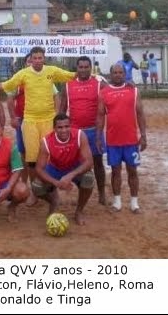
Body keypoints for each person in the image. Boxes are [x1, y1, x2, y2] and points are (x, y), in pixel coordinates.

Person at [0, 46, 76, 203]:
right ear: (30, 59)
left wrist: (92, 76)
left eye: (40, 57)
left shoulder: (51, 71)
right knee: (31, 160)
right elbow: (7, 84)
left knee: (49, 157)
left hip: (48, 120)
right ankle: (35, 191)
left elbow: (70, 76)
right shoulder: (23, 74)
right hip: (30, 121)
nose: (37, 60)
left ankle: (50, 189)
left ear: (44, 58)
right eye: (35, 58)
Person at [6, 53, 61, 206]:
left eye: (36, 59)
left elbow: (56, 95)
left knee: (46, 155)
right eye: (30, 60)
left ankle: (51, 189)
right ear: (26, 63)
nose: (33, 62)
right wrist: (12, 117)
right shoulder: (20, 80)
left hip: (44, 120)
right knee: (28, 157)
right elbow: (9, 99)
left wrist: (55, 115)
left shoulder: (46, 77)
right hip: (25, 122)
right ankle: (33, 191)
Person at [96, 63, 147, 214]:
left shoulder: (134, 90)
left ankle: (134, 203)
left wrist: (143, 135)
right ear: (110, 74)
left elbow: (140, 113)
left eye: (120, 72)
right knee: (115, 171)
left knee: (133, 171)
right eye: (115, 72)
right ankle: (117, 201)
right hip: (113, 141)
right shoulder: (104, 92)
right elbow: (100, 116)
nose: (118, 75)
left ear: (125, 74)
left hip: (131, 141)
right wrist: (99, 137)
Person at [60, 56, 107, 205]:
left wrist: (127, 84)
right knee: (76, 165)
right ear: (77, 68)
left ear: (91, 68)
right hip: (75, 132)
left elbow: (114, 89)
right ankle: (81, 195)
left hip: (94, 131)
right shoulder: (68, 85)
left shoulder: (99, 84)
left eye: (87, 67)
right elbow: (62, 109)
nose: (84, 69)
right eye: (81, 67)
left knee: (98, 162)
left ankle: (102, 194)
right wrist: (60, 131)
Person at [35, 114, 93, 225]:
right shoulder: (46, 141)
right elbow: (39, 169)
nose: (64, 130)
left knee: (88, 178)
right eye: (60, 127)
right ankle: (54, 201)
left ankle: (79, 211)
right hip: (55, 168)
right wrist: (56, 182)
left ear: (70, 126)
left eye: (66, 126)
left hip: (74, 167)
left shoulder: (80, 135)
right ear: (54, 129)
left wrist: (70, 175)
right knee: (36, 187)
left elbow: (89, 162)